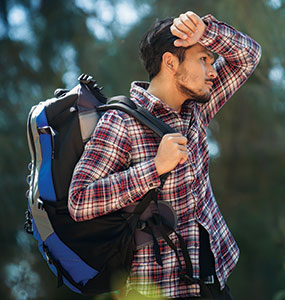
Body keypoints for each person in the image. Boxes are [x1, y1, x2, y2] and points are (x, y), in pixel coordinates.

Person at [68, 11, 261, 300]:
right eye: (203, 59)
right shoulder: (121, 123)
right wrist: (154, 168)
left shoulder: (195, 110)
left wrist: (204, 32)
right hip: (163, 289)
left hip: (214, 281)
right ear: (170, 62)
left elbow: (248, 56)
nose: (212, 71)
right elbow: (79, 200)